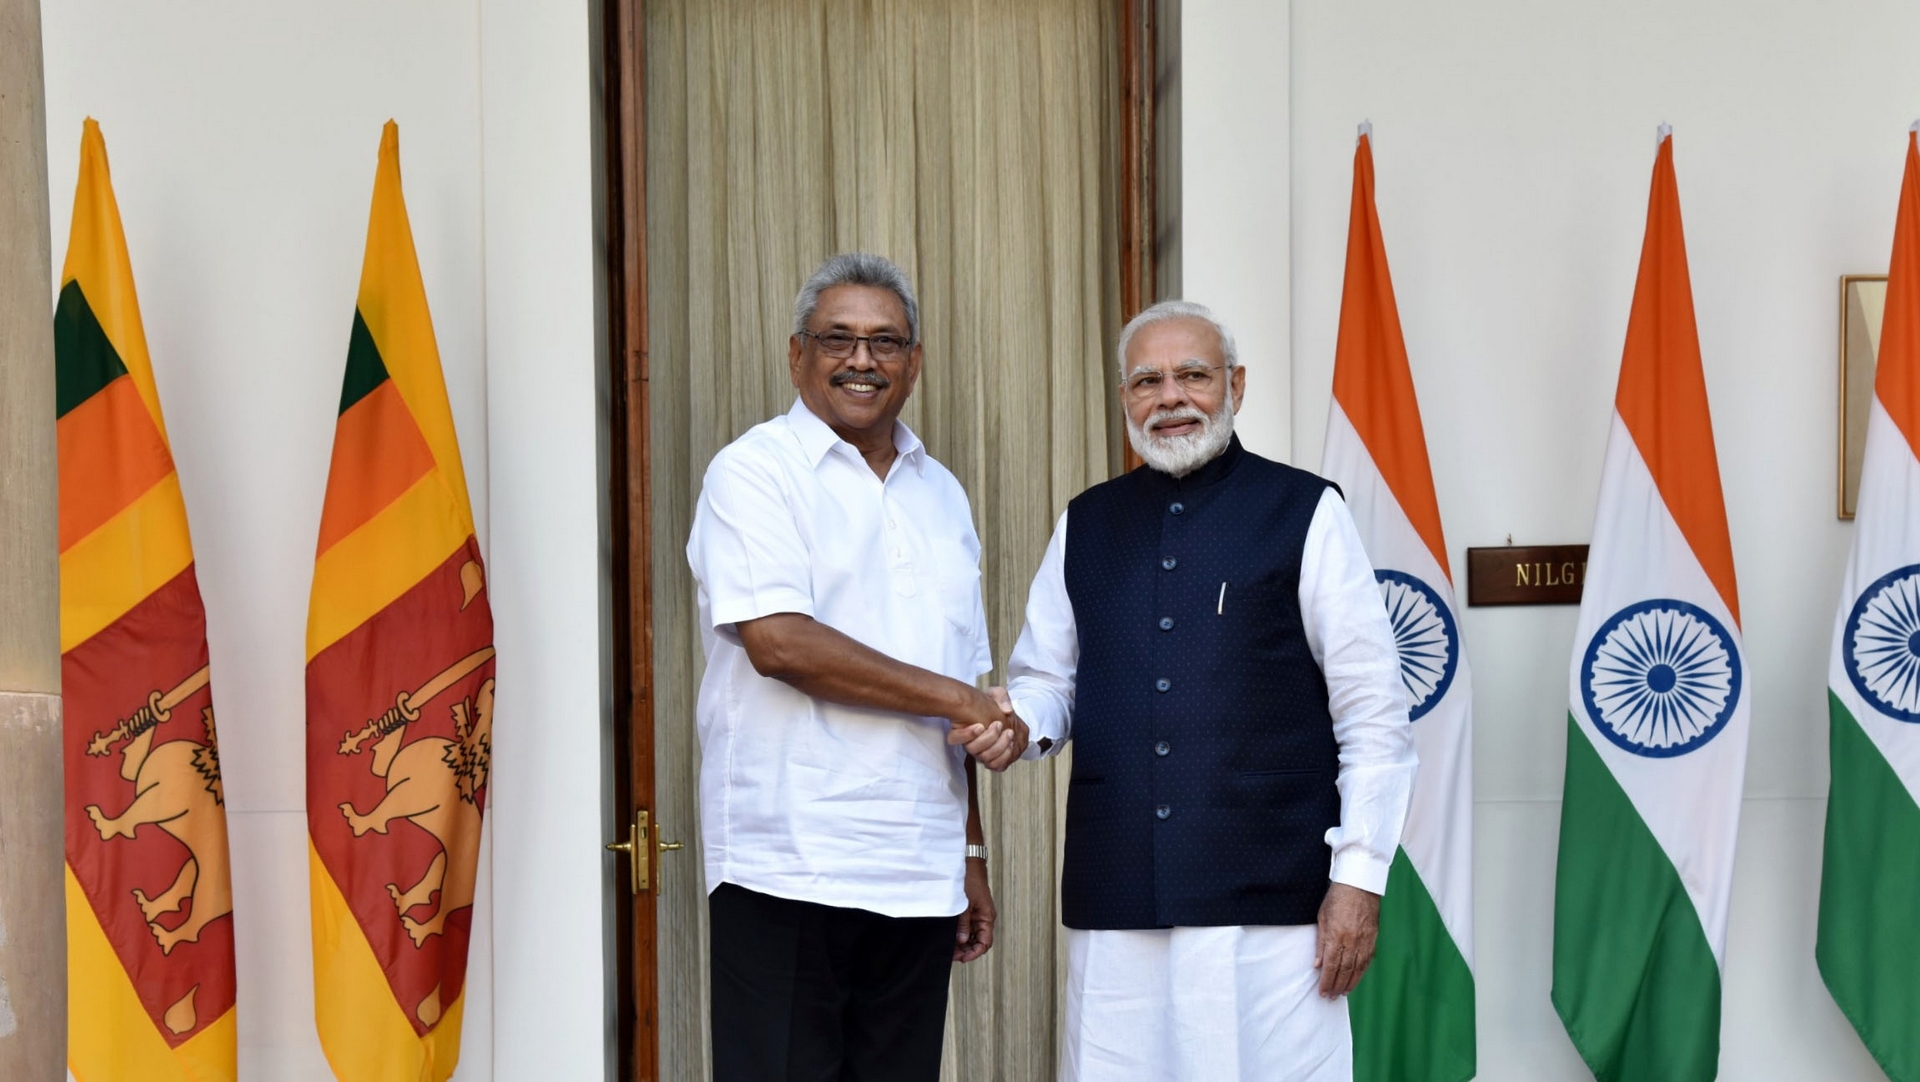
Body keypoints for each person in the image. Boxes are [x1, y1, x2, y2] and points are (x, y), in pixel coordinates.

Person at [997, 299, 1416, 1080]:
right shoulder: (1084, 523)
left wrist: (1359, 879)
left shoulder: (1306, 511)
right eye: (1147, 381)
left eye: (1192, 375)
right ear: (1124, 398)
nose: (1170, 397)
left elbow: (1374, 712)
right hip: (1117, 897)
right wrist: (1018, 726)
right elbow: (1048, 679)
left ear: (1236, 385)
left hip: (1271, 903)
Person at [686, 252, 1029, 1082]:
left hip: (916, 870)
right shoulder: (753, 471)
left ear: (915, 361)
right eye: (837, 339)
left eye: (886, 342)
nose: (862, 360)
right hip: (790, 863)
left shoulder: (940, 492)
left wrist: (969, 856)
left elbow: (964, 686)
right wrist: (959, 697)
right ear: (796, 354)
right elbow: (779, 642)